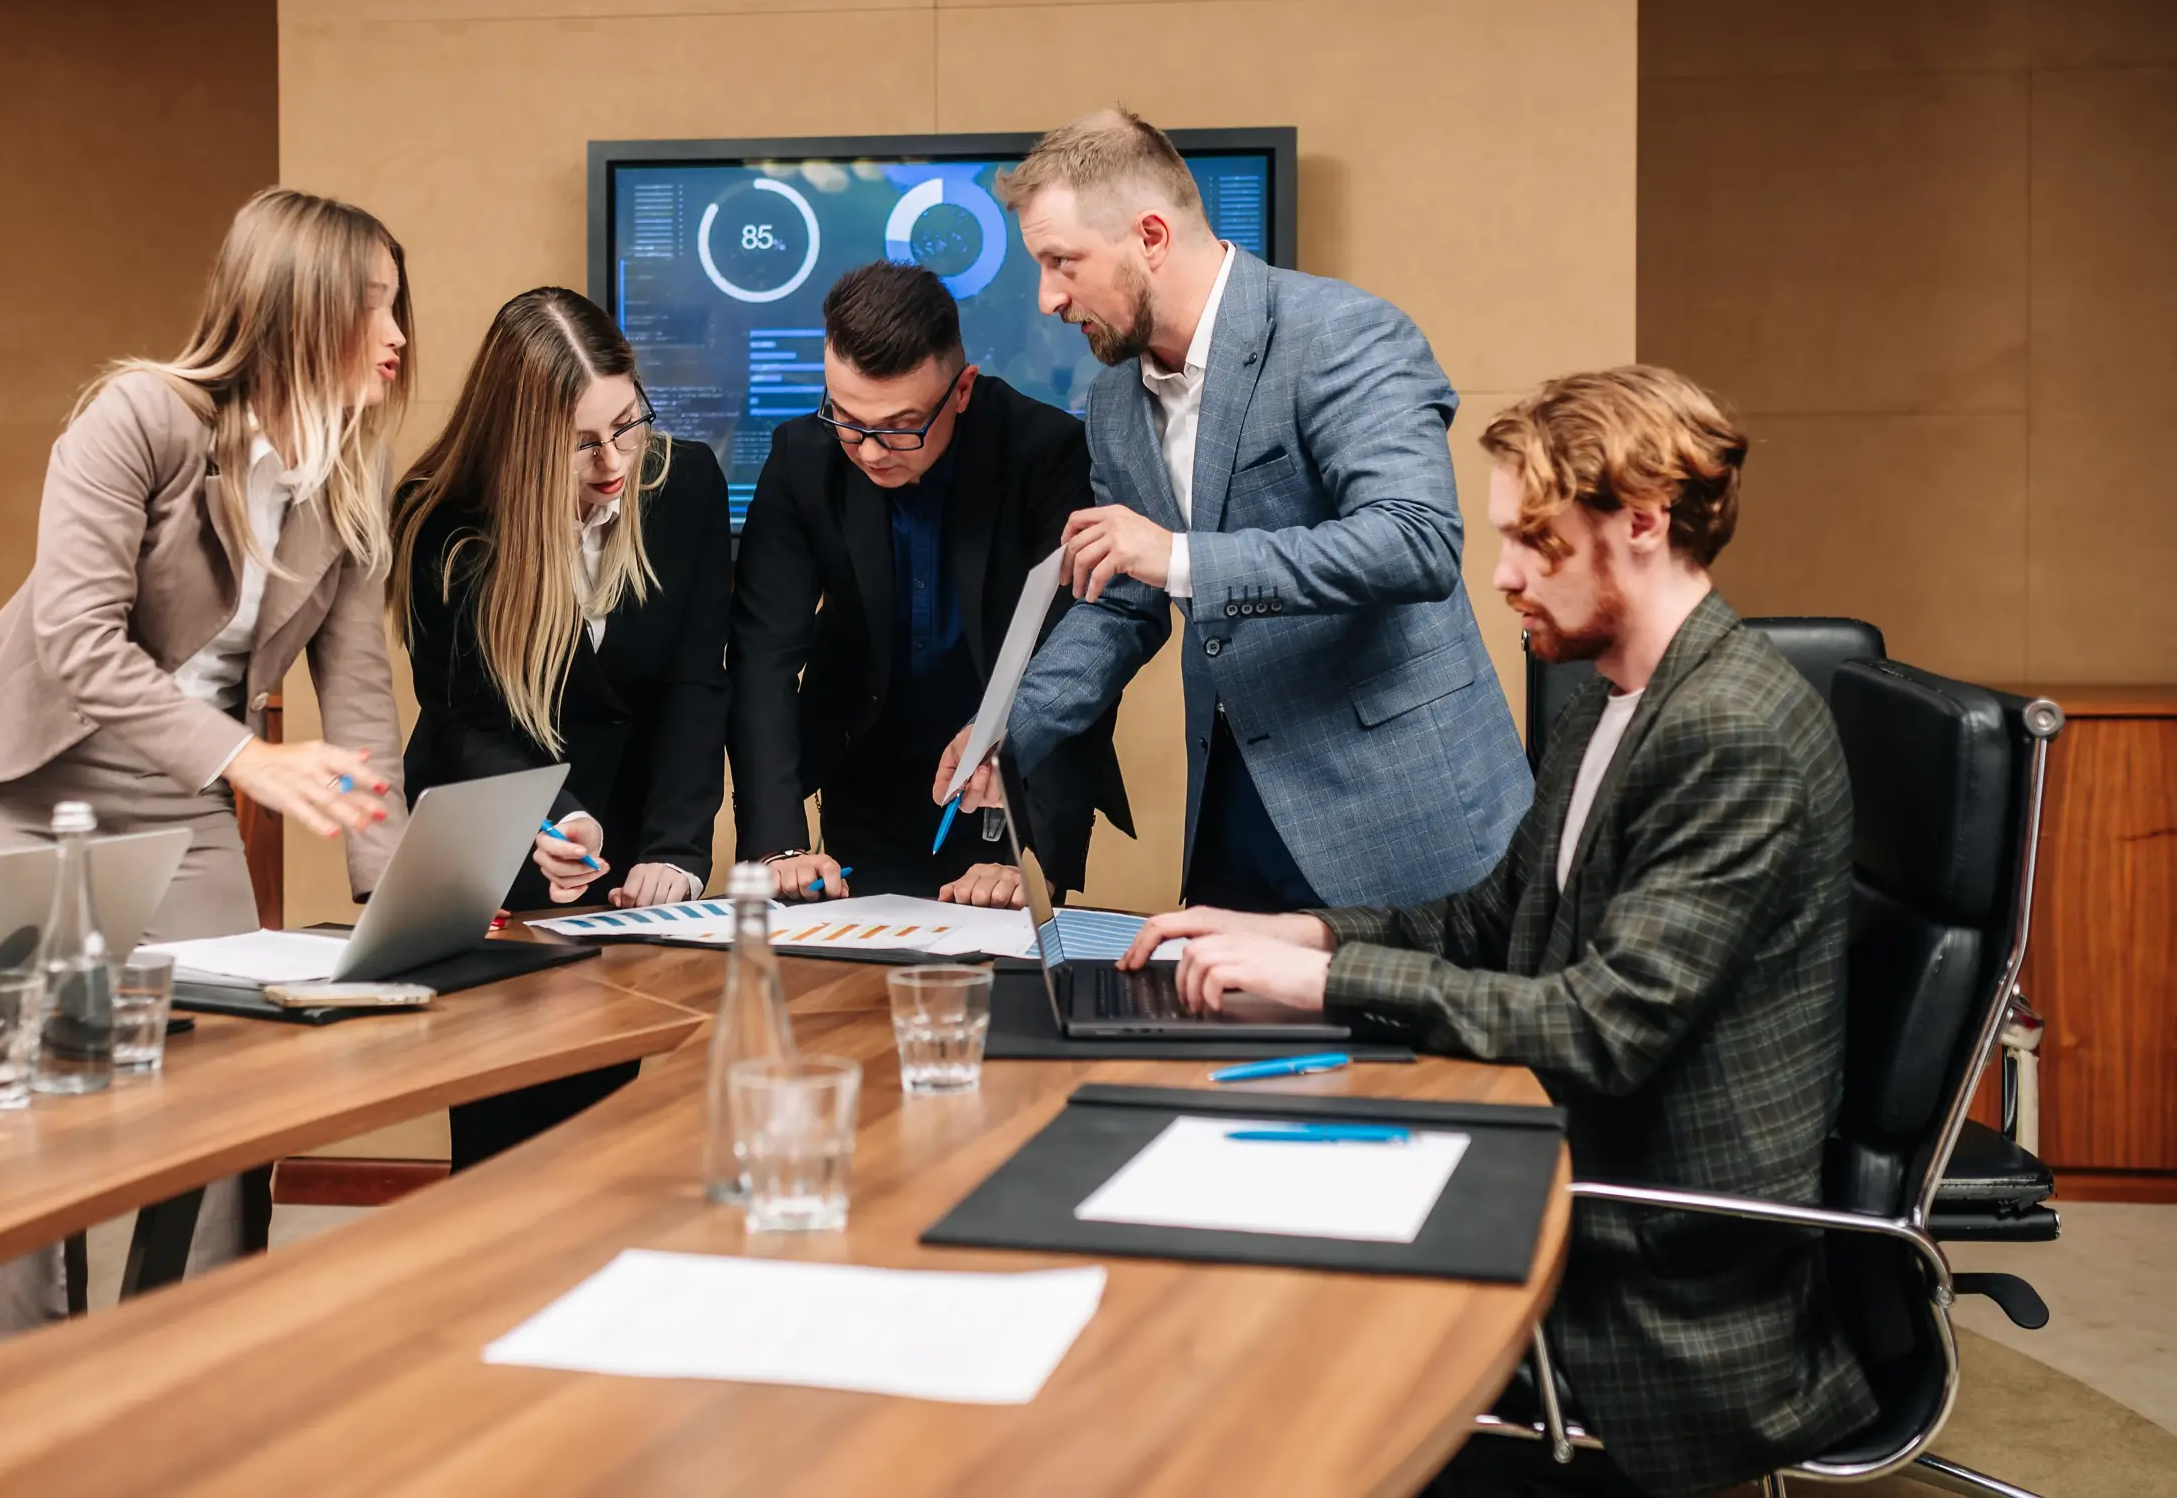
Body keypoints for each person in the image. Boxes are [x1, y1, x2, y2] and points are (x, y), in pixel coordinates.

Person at [1122, 367, 1877, 1498]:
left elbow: (1601, 1027)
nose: (1501, 576)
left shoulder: (1733, 731)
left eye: (1534, 542)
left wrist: (1322, 988)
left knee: (1256, 1330)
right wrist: (1301, 931)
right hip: (1582, 1170)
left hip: (1663, 1273)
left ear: (1639, 521)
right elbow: (1488, 917)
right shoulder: (1617, 695)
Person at [0, 186, 412, 1331]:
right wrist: (249, 761)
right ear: (300, 306)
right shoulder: (138, 415)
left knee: (228, 1086)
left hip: (183, 790)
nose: (398, 335)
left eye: (400, 306)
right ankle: (44, 1373)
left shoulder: (348, 471)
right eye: (375, 306)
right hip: (31, 787)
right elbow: (77, 640)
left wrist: (395, 899)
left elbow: (357, 692)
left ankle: (176, 1351)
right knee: (42, 1099)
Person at [941, 107, 1527, 914]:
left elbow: (1415, 540)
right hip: (1231, 817)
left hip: (1400, 814)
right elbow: (1123, 599)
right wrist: (1012, 727)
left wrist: (1180, 557)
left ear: (1150, 236)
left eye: (1062, 262)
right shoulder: (1113, 401)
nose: (1048, 298)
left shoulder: (1341, 333)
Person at [393, 286, 729, 1170]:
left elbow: (698, 682)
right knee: (510, 1144)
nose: (614, 460)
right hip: (496, 845)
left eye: (628, 422)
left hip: (634, 868)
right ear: (520, 438)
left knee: (626, 1145)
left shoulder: (683, 482)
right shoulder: (441, 516)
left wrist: (675, 849)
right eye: (582, 442)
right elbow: (466, 719)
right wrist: (554, 817)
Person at [730, 260, 1128, 906]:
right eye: (848, 420)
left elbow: (1076, 657)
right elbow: (762, 659)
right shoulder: (803, 457)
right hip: (861, 772)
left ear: (963, 389)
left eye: (899, 428)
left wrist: (1037, 857)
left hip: (1005, 782)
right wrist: (779, 845)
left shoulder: (1046, 454)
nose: (870, 451)